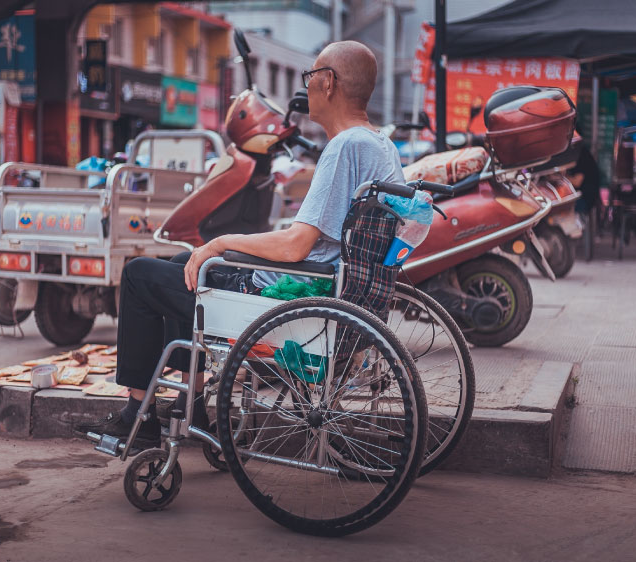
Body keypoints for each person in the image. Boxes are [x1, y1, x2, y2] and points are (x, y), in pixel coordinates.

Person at [74, 40, 405, 449]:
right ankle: (191, 404)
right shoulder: (382, 146)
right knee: (183, 262)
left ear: (329, 82)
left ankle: (136, 418)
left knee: (139, 275)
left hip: (288, 294)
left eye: (311, 75)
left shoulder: (344, 147)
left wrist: (221, 242)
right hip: (335, 289)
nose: (308, 84)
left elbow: (295, 246)